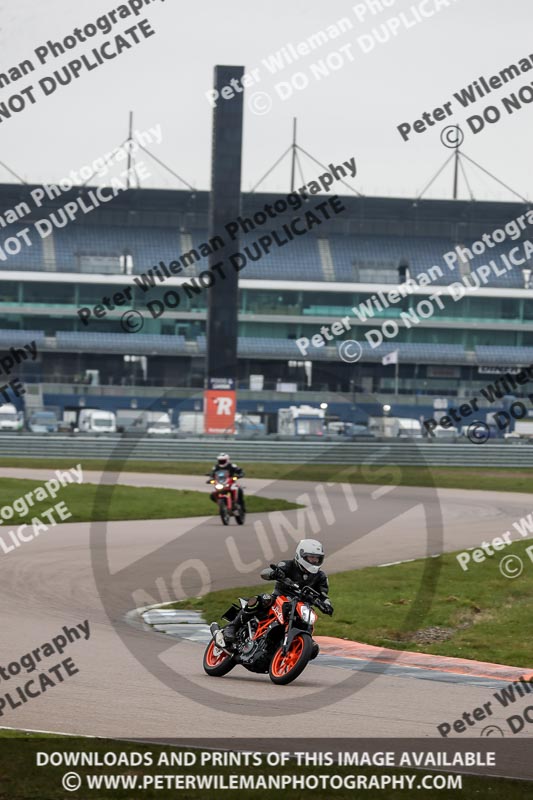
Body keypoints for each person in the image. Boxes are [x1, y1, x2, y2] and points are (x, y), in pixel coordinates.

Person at [221, 539, 333, 645]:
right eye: (311, 557)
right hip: (279, 599)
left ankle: (295, 645)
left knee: (310, 634)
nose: (314, 561)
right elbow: (265, 573)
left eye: (317, 558)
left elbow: (323, 595)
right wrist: (274, 574)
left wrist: (327, 605)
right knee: (263, 599)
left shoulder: (321, 576)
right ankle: (232, 626)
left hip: (302, 606)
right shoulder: (287, 565)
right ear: (301, 555)